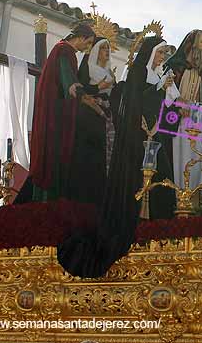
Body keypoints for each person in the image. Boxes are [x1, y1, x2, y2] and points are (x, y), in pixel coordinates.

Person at [57, 36, 179, 278]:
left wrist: (168, 102)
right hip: (137, 139)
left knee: (164, 183)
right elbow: (135, 104)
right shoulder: (136, 74)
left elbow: (170, 110)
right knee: (137, 184)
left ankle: (160, 233)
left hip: (156, 138)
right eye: (160, 52)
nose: (163, 58)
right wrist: (157, 97)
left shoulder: (162, 78)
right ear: (150, 52)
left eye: (165, 54)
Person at [27, 21, 97, 203]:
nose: (87, 48)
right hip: (56, 116)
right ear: (81, 38)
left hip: (51, 111)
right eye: (88, 43)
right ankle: (46, 205)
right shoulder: (66, 51)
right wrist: (82, 95)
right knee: (53, 157)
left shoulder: (59, 49)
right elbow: (69, 81)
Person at [64, 37, 116, 205]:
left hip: (106, 115)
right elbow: (81, 89)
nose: (106, 51)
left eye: (108, 48)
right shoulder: (88, 67)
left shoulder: (109, 71)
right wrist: (98, 88)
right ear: (95, 51)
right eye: (102, 48)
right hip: (89, 115)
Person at [162, 29, 202, 105]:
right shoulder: (175, 65)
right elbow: (165, 93)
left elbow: (198, 101)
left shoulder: (198, 72)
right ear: (192, 44)